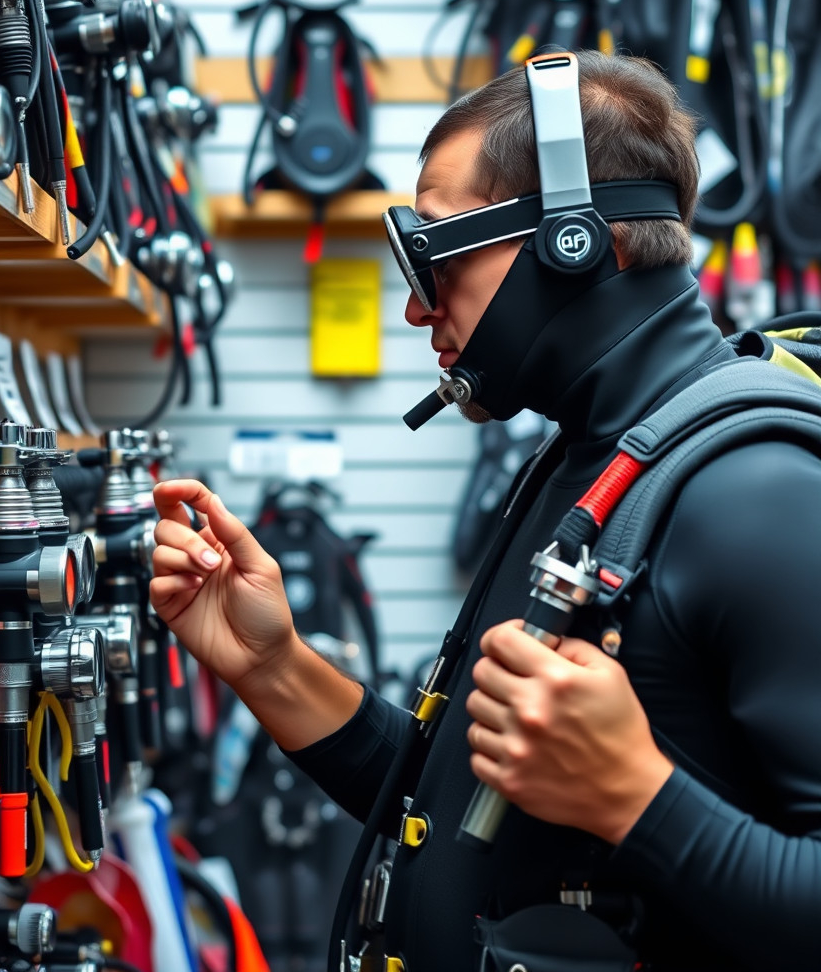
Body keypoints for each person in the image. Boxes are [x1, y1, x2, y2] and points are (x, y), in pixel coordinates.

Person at [149, 49, 821, 971]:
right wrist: (271, 666)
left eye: (436, 251)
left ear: (577, 239)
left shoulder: (756, 491)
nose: (422, 309)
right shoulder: (592, 458)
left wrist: (636, 797)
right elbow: (457, 806)